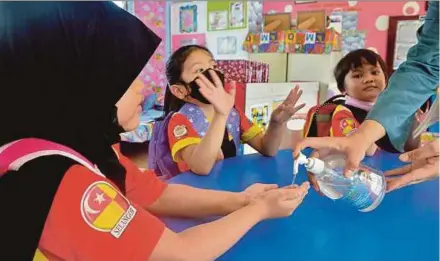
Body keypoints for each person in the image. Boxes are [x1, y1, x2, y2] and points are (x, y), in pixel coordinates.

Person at [0, 2, 310, 260]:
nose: (142, 88)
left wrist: (240, 200)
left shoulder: (87, 148)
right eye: (126, 77)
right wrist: (258, 210)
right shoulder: (58, 177)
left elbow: (155, 194)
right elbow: (181, 253)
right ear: (83, 86)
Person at [294, 1, 439, 192]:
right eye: (358, 75)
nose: (369, 80)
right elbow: (426, 65)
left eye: (374, 73)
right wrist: (361, 138)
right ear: (342, 87)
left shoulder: (392, 107)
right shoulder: (341, 110)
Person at [149, 45, 305, 176]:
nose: (211, 73)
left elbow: (268, 149)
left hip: (231, 188)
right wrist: (220, 114)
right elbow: (201, 167)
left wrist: (276, 123)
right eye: (199, 70)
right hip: (199, 197)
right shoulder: (180, 121)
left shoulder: (233, 113)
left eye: (213, 67)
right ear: (180, 91)